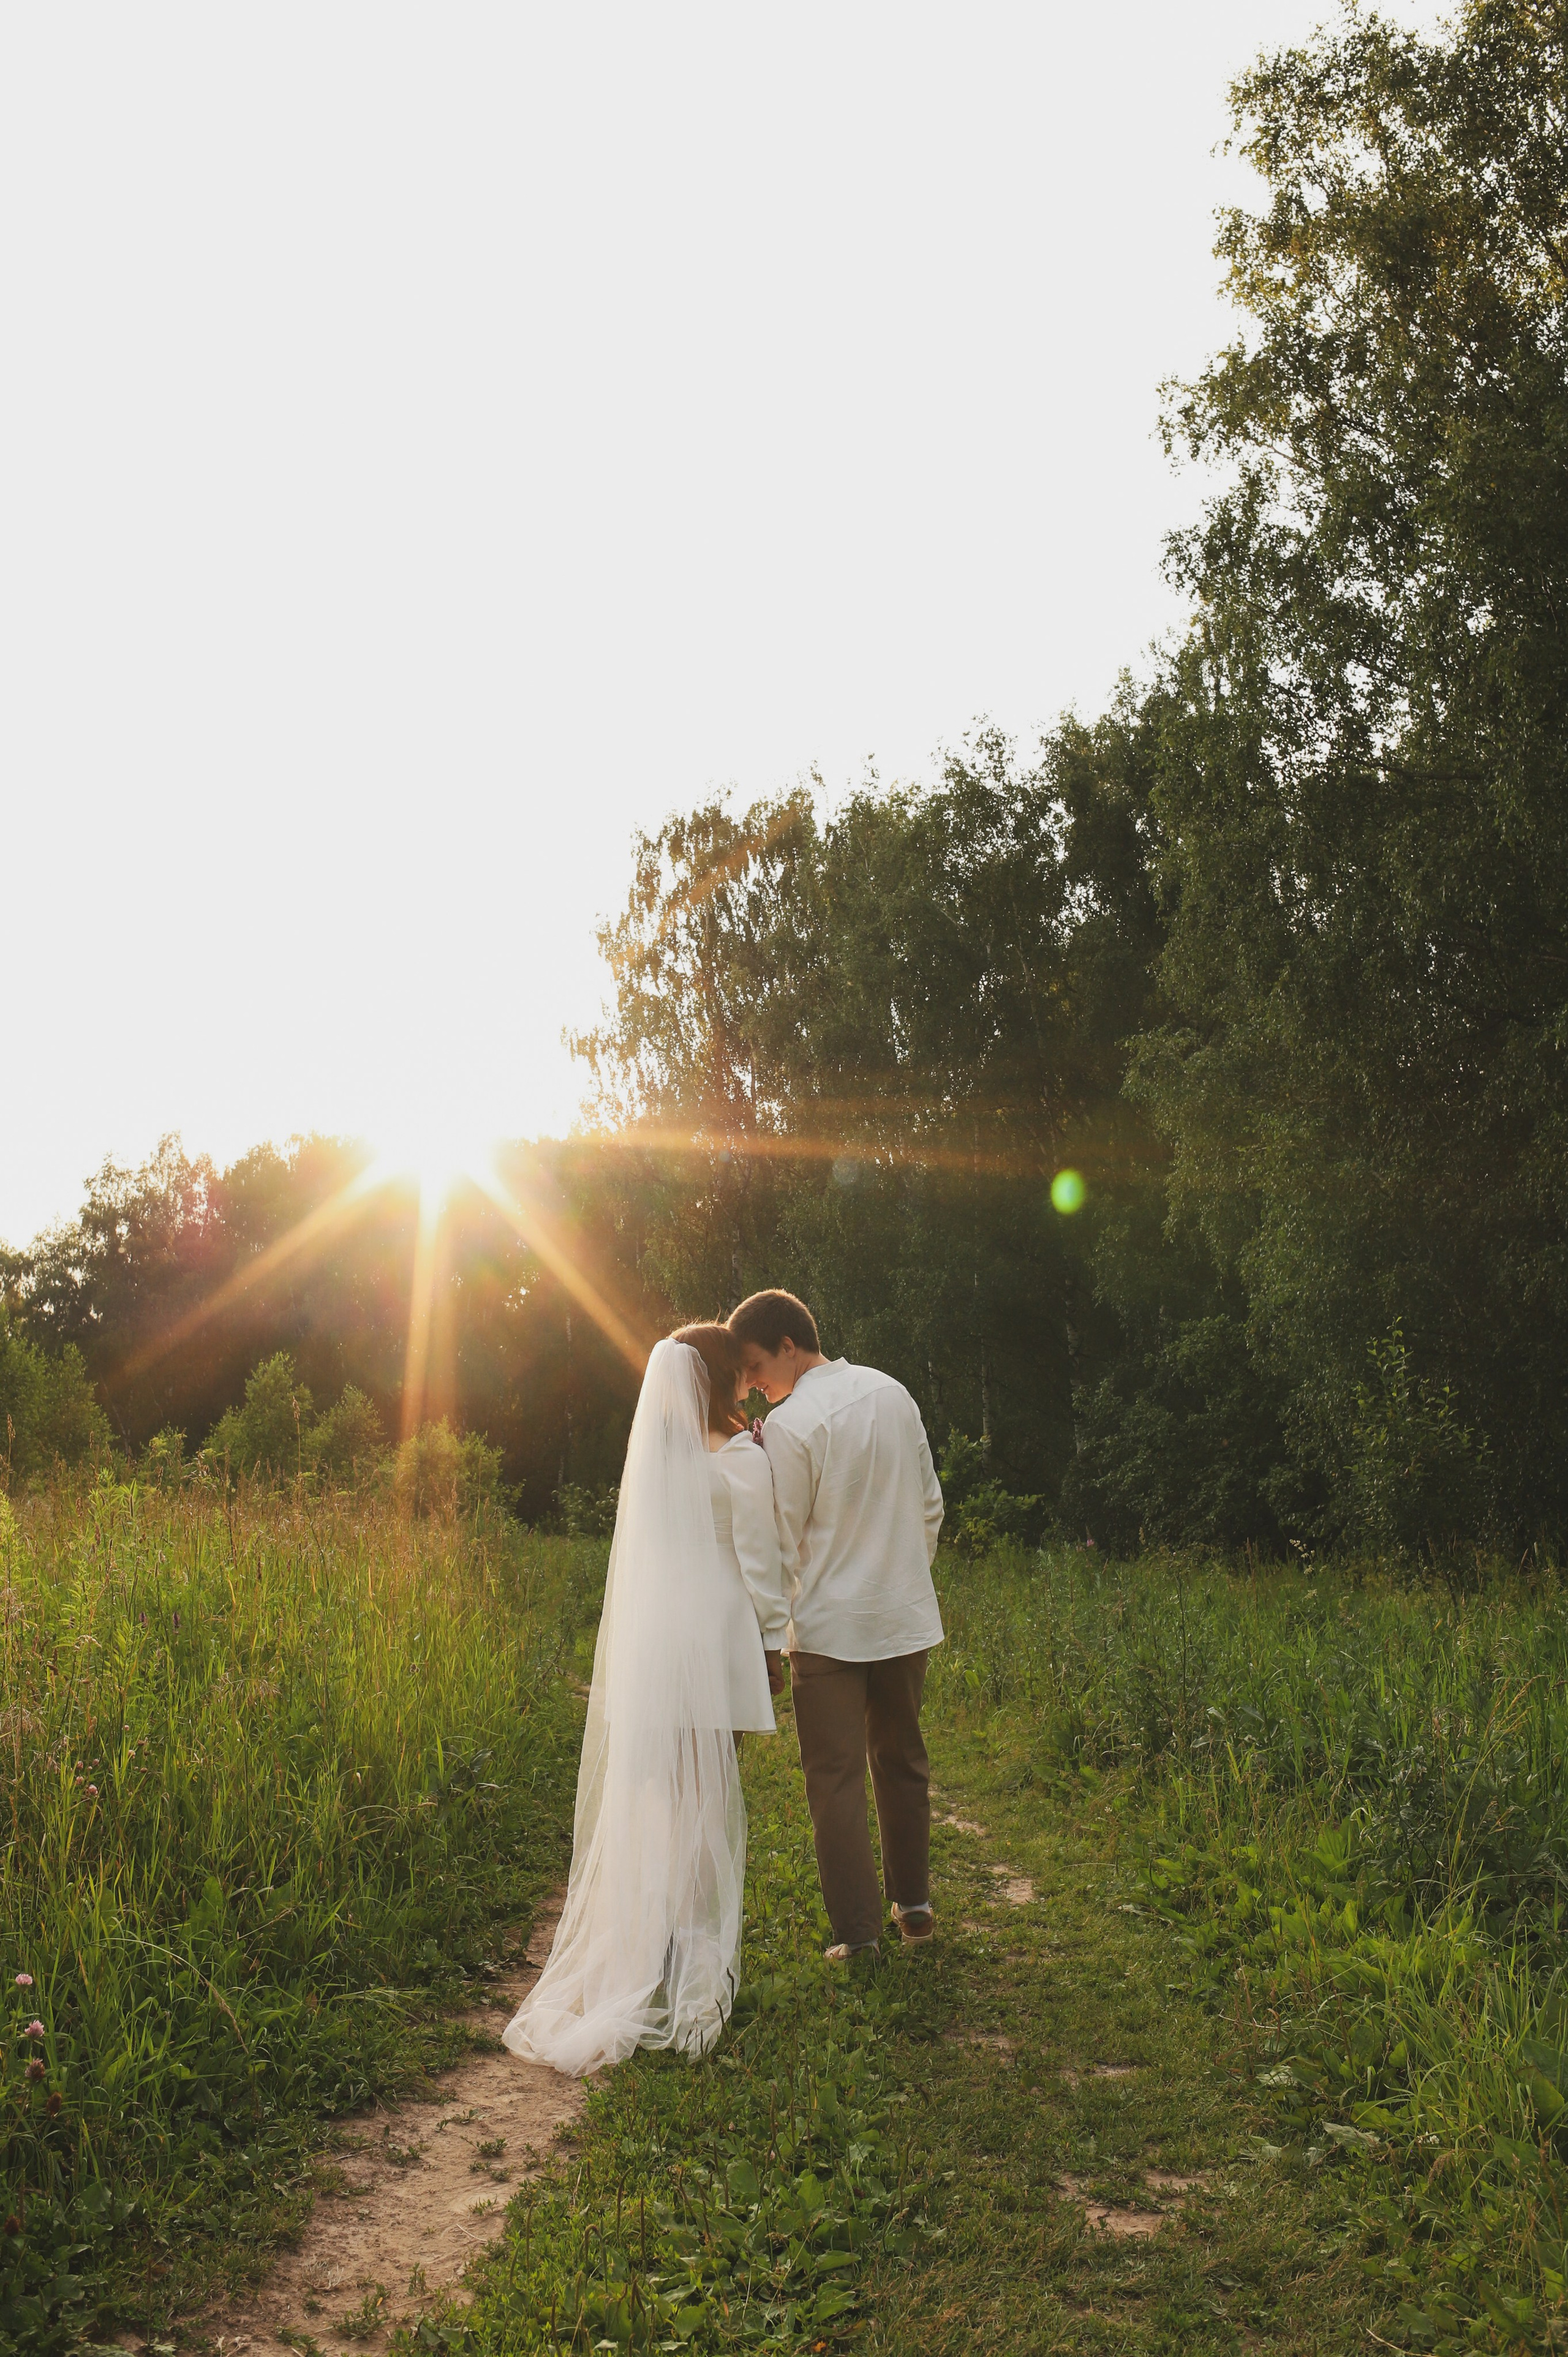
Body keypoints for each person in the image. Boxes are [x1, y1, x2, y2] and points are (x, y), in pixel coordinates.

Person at [503, 1324, 786, 2075]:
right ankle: (695, 1972)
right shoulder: (741, 1459)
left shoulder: (656, 1463)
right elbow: (760, 1562)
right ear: (721, 1377)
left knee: (655, 1801)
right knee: (707, 1802)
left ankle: (641, 1957)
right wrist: (776, 1639)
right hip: (719, 1645)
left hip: (654, 1648)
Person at [727, 1290, 943, 1960]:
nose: (756, 1386)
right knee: (903, 1761)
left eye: (758, 1366)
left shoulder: (791, 1426)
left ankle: (859, 1937)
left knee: (836, 1779)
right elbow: (930, 1502)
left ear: (790, 1344)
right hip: (903, 1616)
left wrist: (773, 1623)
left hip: (826, 1630)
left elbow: (783, 1537)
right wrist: (900, 1573)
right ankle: (914, 1906)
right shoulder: (893, 1391)